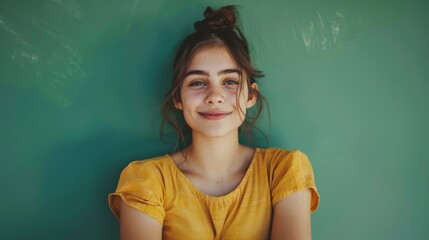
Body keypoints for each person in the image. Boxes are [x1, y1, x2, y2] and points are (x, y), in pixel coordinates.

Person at [108, 5, 320, 240]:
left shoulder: (285, 171)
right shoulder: (147, 181)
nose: (214, 95)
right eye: (198, 82)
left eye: (229, 81)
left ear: (250, 96)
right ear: (178, 98)